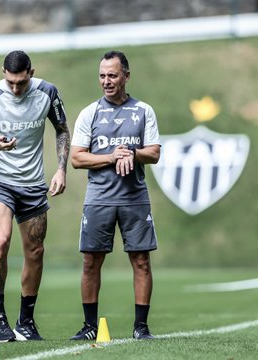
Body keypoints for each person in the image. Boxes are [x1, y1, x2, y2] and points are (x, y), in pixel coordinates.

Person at [0, 50, 70, 342]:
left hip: (33, 184)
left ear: (31, 72)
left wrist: (61, 170)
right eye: (11, 81)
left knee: (36, 251)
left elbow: (62, 130)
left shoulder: (47, 93)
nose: (16, 88)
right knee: (0, 242)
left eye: (21, 82)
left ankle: (26, 321)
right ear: (3, 72)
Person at [70, 50, 160, 340]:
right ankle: (89, 327)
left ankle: (141, 327)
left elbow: (155, 153)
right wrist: (111, 157)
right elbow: (77, 159)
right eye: (102, 75)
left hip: (134, 197)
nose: (106, 81)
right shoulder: (90, 113)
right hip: (99, 198)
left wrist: (132, 153)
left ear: (126, 76)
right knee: (90, 261)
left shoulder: (144, 111)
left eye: (112, 75)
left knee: (141, 260)